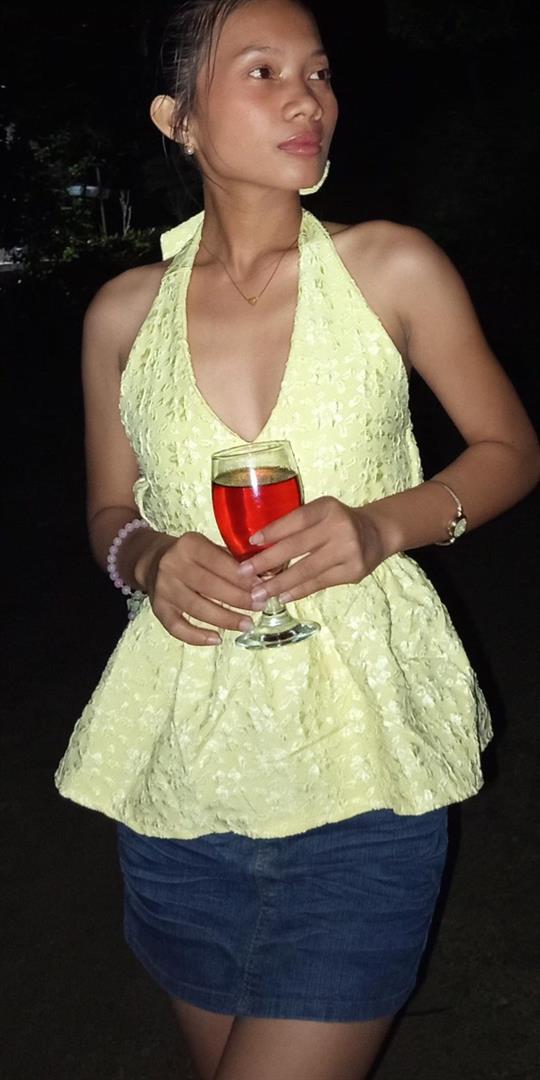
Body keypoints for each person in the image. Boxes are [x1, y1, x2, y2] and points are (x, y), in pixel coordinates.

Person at [55, 1, 540, 1077]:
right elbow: (107, 515)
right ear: (177, 119)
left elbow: (510, 449)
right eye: (263, 71)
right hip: (180, 783)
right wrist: (148, 558)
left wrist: (383, 524)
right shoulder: (122, 315)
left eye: (317, 72)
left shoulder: (392, 268)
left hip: (364, 773)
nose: (306, 97)